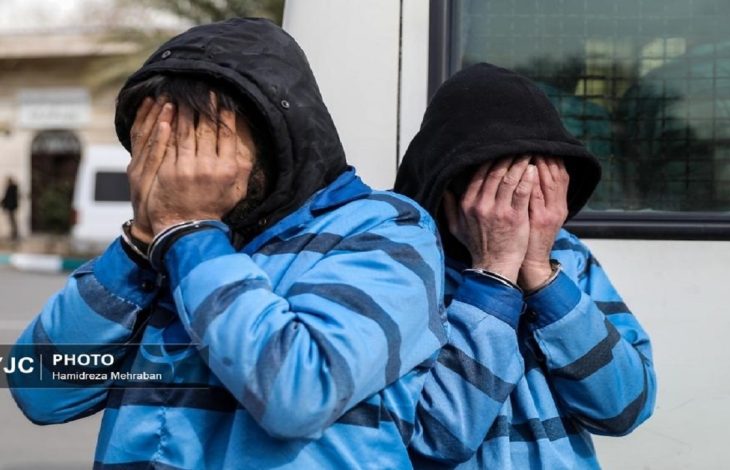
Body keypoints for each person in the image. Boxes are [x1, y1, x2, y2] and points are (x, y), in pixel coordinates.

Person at [10, 18, 446, 469]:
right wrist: (140, 244)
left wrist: (191, 232)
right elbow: (41, 389)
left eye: (196, 141)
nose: (173, 167)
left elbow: (298, 394)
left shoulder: (384, 231)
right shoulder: (164, 247)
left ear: (276, 136)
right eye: (154, 146)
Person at [395, 63, 656, 469]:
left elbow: (624, 409)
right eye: (502, 183)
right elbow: (436, 437)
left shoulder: (567, 255)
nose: (520, 202)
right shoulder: (398, 261)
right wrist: (494, 275)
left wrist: (541, 275)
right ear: (451, 185)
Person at [2, 176, 19, 241]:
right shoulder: (13, 189)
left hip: (11, 207)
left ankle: (14, 234)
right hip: (11, 207)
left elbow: (8, 198)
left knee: (13, 221)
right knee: (12, 221)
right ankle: (14, 234)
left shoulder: (11, 189)